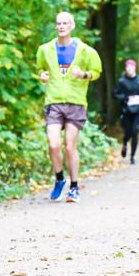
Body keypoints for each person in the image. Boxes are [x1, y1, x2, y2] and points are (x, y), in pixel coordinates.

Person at [35, 11, 102, 203]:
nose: (61, 26)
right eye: (58, 23)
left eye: (65, 23)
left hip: (76, 102)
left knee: (70, 146)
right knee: (53, 144)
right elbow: (40, 68)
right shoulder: (45, 49)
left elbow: (96, 72)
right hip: (54, 101)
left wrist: (84, 75)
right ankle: (59, 179)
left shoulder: (86, 51)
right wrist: (42, 75)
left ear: (72, 26)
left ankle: (74, 187)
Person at [113, 59, 139, 164]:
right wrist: (124, 97)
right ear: (126, 69)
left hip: (138, 112)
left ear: (135, 68)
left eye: (131, 67)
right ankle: (124, 143)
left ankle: (132, 157)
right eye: (127, 67)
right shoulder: (121, 81)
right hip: (126, 111)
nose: (129, 69)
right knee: (128, 133)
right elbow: (114, 94)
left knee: (135, 133)